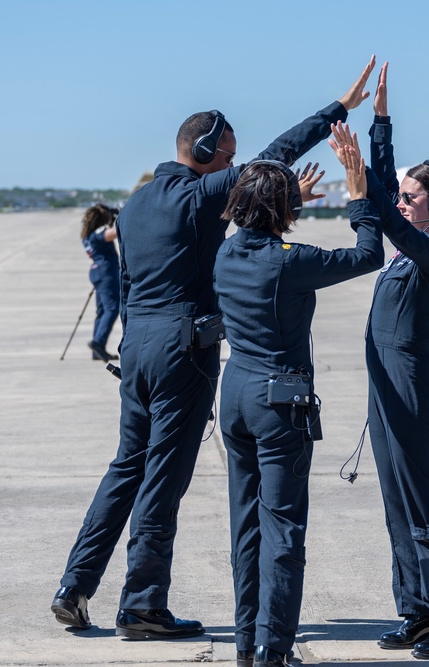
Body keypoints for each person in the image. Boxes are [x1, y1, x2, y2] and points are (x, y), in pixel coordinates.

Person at [50, 57, 377, 640]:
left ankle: (75, 584)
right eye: (226, 155)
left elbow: (127, 285)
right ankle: (143, 605)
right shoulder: (198, 195)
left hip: (138, 346)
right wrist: (337, 111)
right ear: (202, 150)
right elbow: (274, 157)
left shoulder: (136, 205)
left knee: (125, 465)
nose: (232, 164)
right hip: (182, 349)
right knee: (163, 477)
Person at [327, 62, 429, 660]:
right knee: (395, 504)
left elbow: (387, 212)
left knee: (421, 502)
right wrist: (380, 121)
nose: (402, 201)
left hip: (411, 388)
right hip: (385, 388)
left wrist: (361, 182)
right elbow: (390, 196)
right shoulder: (412, 243)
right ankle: (416, 609)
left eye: (415, 197)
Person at [213, 155, 382, 667]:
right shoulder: (290, 259)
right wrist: (359, 200)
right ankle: (273, 647)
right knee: (283, 529)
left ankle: (248, 643)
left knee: (246, 525)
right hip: (277, 403)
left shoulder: (226, 254)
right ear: (281, 207)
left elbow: (264, 229)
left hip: (236, 394)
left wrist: (288, 199)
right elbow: (367, 255)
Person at [80, 203, 121, 362]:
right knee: (112, 308)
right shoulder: (98, 234)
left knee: (102, 310)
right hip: (106, 272)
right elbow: (115, 232)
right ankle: (98, 343)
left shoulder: (87, 235)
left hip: (97, 271)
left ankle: (97, 349)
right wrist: (120, 218)